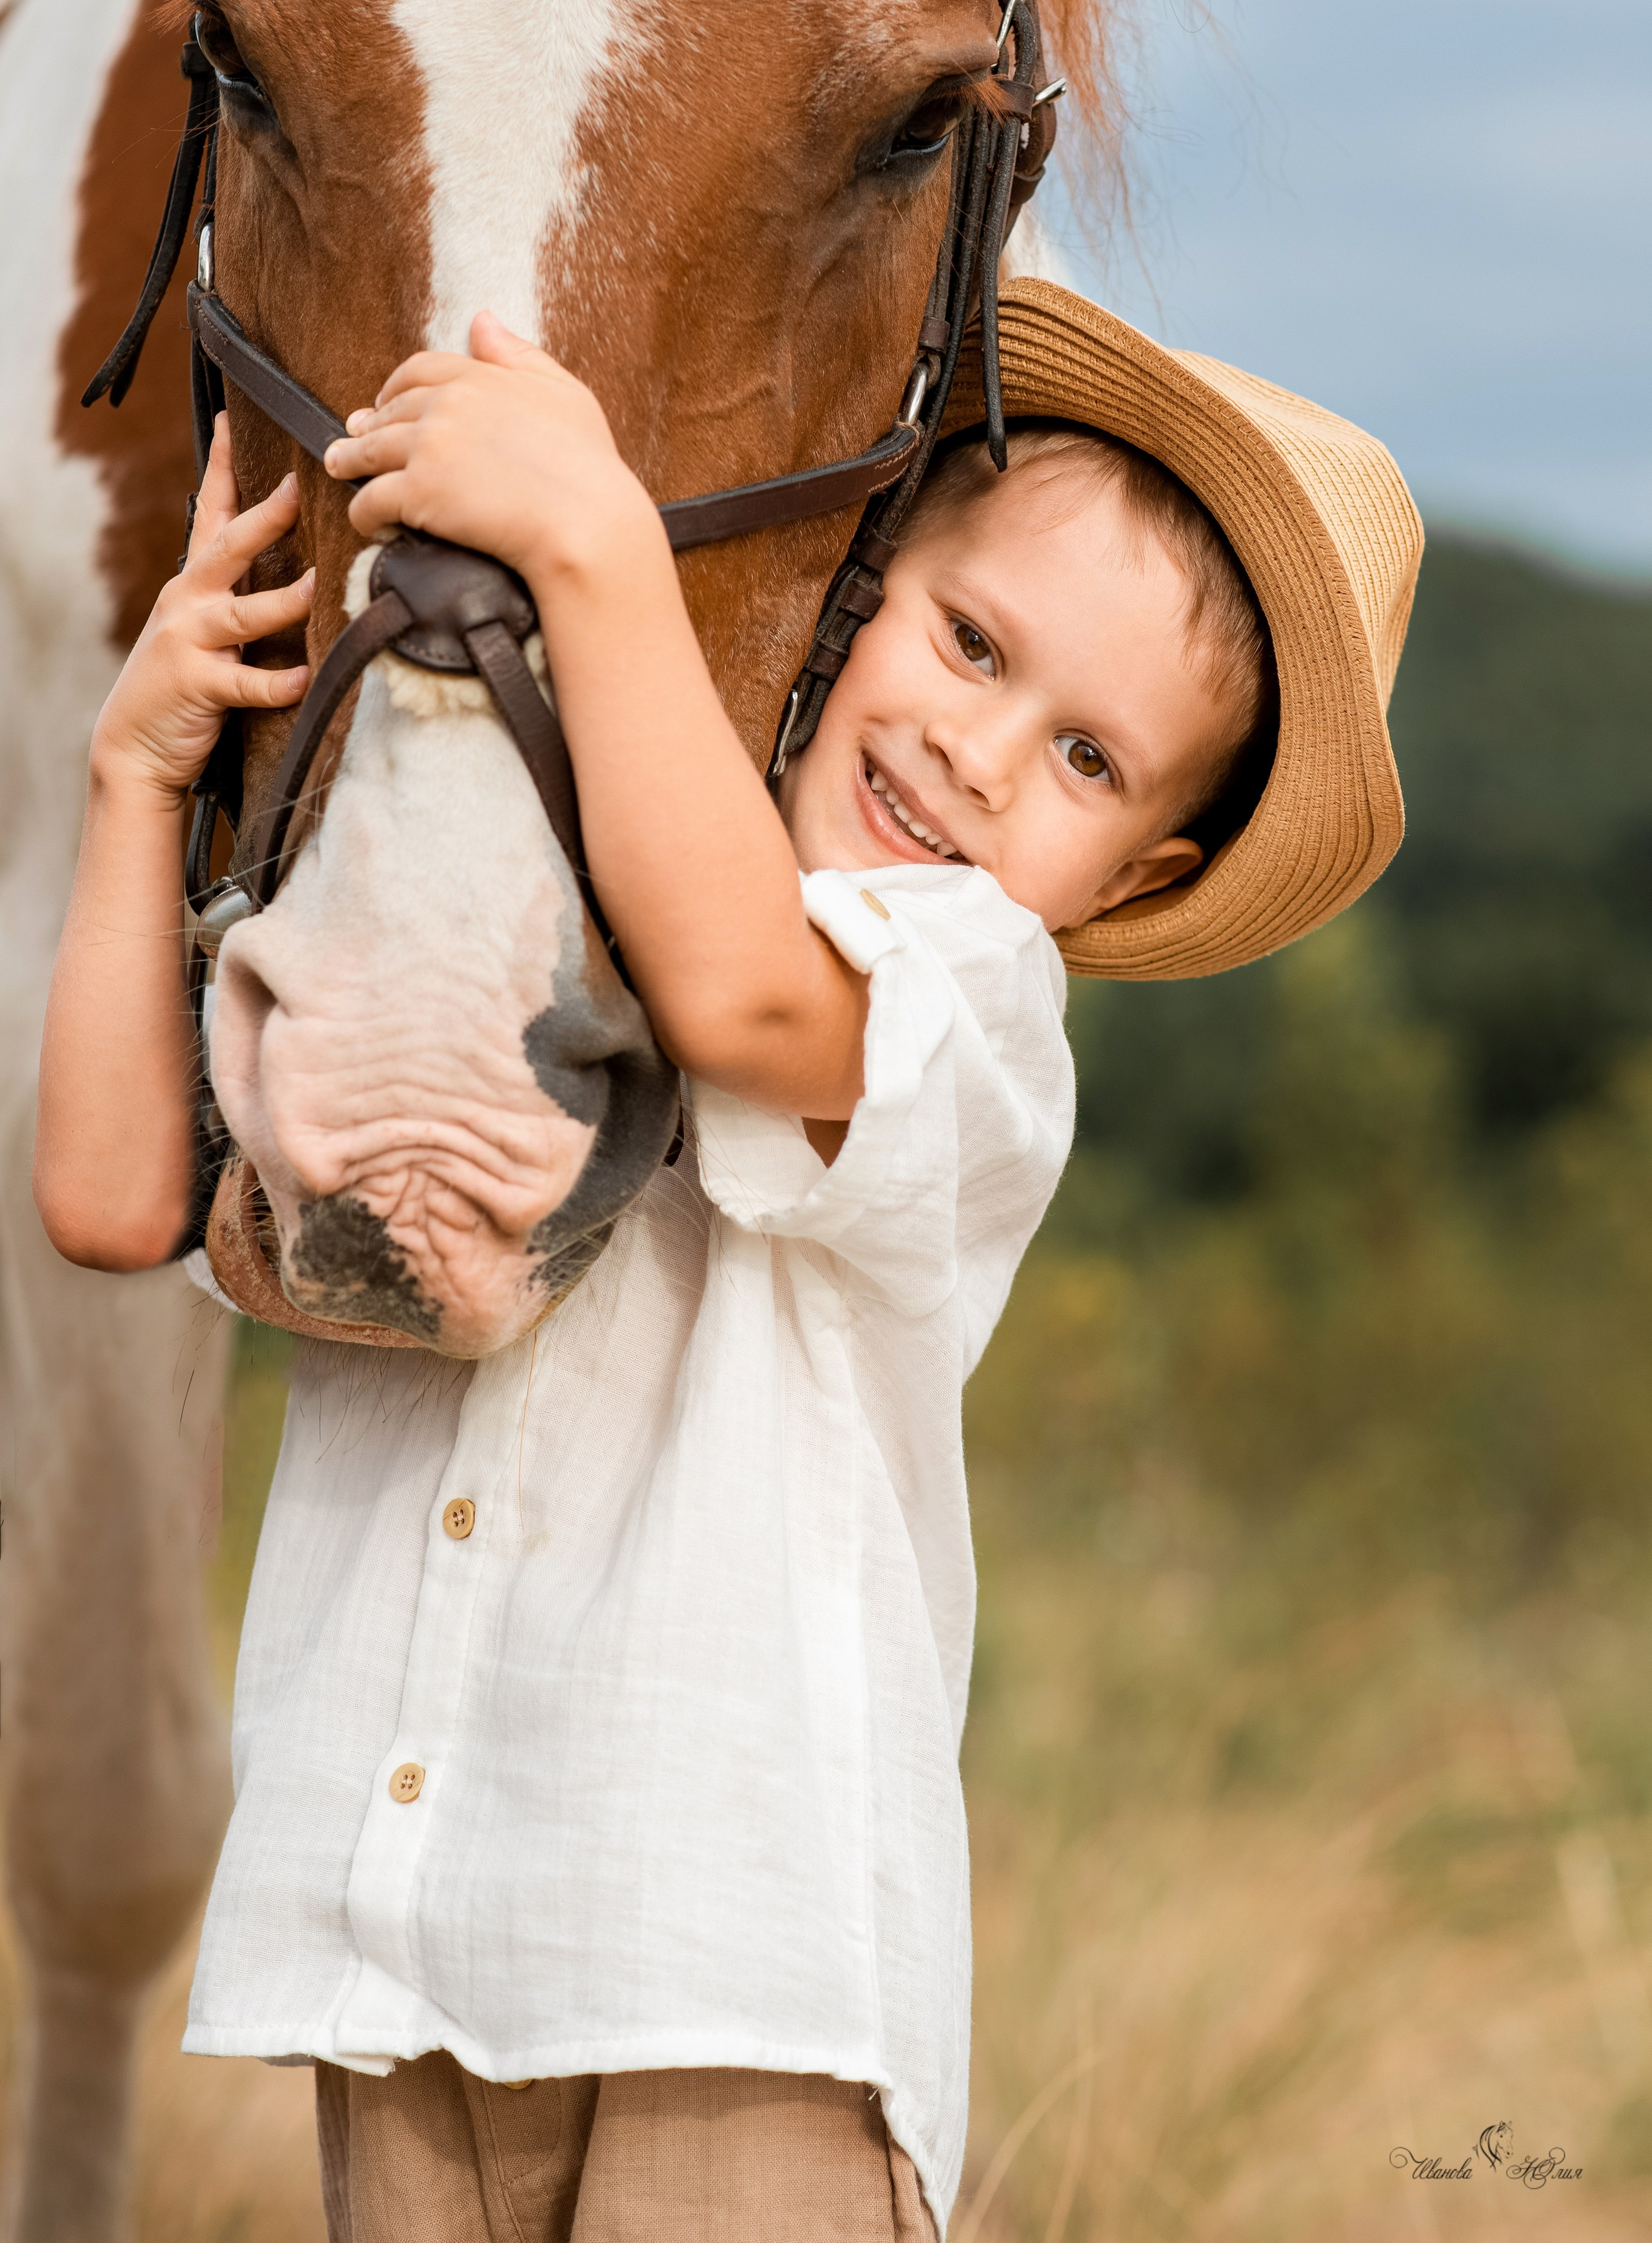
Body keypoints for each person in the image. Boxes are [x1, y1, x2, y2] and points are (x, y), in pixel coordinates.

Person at [34, 281, 1421, 2239]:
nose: (978, 753)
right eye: (968, 641)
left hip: (733, 1982)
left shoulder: (967, 1001)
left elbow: (749, 1000)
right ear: (857, 588)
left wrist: (590, 538)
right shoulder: (506, 896)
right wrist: (135, 783)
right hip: (404, 1953)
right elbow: (111, 1196)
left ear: (1144, 882)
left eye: (1090, 762)